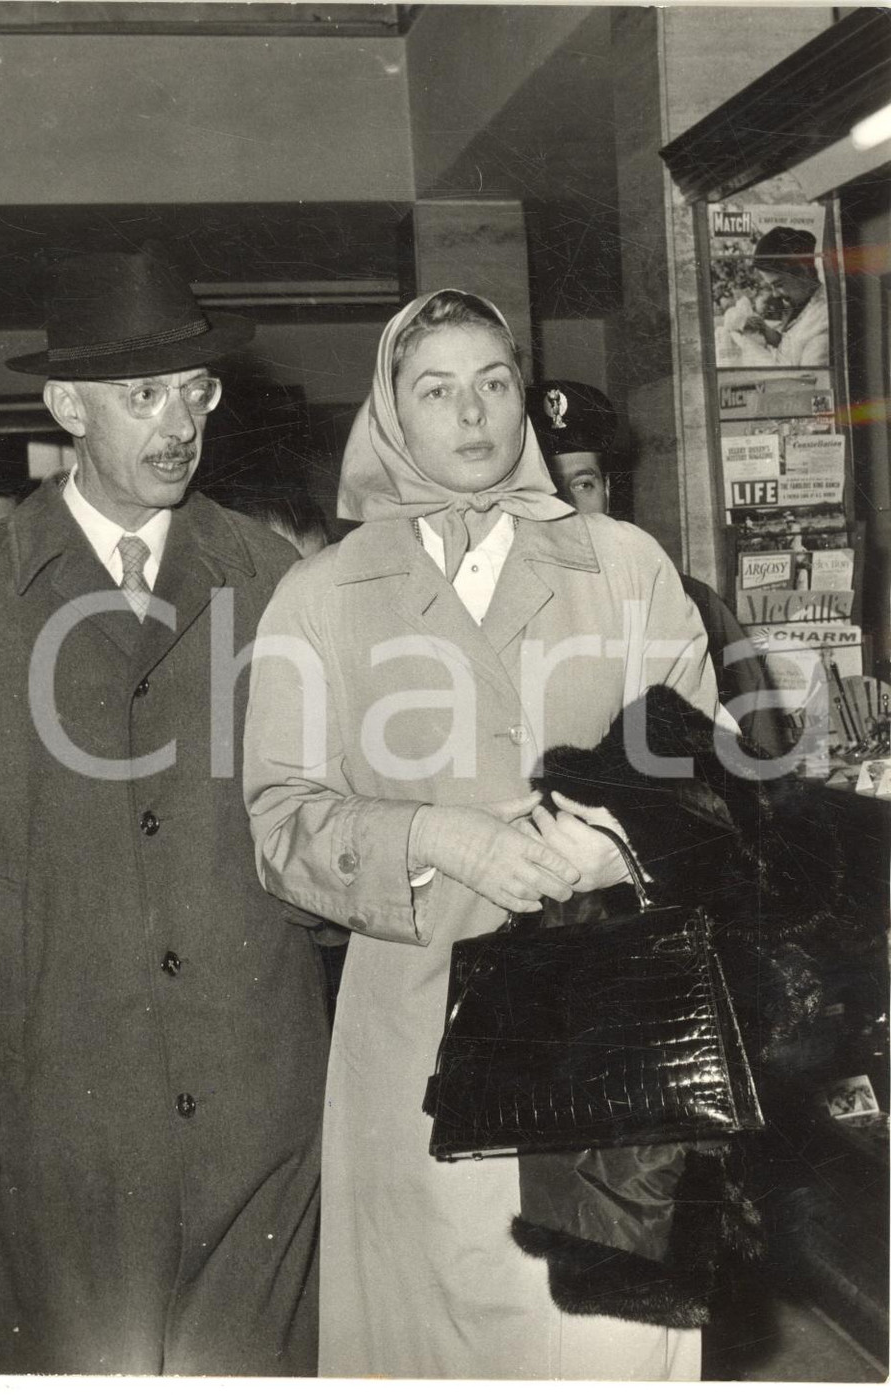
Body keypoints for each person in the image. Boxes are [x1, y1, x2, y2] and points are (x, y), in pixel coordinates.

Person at [243, 289, 722, 1379]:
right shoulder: (320, 596)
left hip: (613, 1022)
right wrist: (436, 837)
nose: (471, 414)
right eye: (436, 389)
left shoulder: (624, 564)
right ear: (390, 413)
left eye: (493, 383)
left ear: (522, 399)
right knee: (438, 1332)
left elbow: (718, 769)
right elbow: (280, 821)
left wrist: (622, 846)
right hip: (419, 1022)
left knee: (603, 1336)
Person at [0, 246, 329, 1376]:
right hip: (60, 1095)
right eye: (143, 394)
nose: (179, 424)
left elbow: (324, 803)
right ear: (66, 408)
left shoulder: (273, 579)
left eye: (195, 390)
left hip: (260, 1080)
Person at [527, 378, 788, 759]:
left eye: (583, 485)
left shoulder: (691, 600)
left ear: (608, 490)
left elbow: (760, 753)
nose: (568, 507)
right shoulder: (499, 606)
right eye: (549, 490)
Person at [727, 226, 828, 366]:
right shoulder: (805, 305)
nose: (775, 294)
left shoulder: (822, 325)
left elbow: (810, 375)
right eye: (771, 287)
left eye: (779, 284)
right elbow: (792, 346)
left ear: (803, 272)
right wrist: (764, 330)